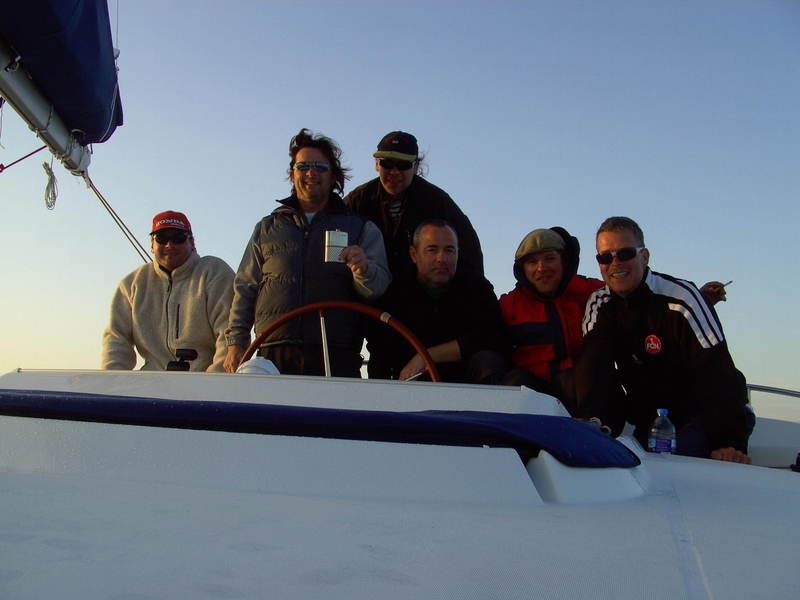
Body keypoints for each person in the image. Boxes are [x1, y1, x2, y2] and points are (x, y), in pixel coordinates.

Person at [575, 216, 754, 463]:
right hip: (653, 422)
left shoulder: (682, 299)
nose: (615, 263)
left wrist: (728, 441)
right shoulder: (599, 305)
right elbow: (594, 370)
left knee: (675, 468)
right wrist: (591, 420)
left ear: (644, 257)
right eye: (605, 257)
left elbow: (718, 373)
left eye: (625, 253)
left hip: (703, 417)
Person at [224, 128, 390, 377]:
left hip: (337, 354)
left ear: (333, 175)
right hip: (272, 354)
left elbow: (378, 287)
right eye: (303, 167)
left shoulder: (361, 228)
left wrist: (363, 269)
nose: (311, 173)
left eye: (321, 167)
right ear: (292, 174)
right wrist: (236, 342)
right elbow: (245, 287)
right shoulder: (266, 228)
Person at [367, 220, 506, 383]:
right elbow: (380, 351)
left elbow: (494, 337)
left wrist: (425, 357)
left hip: (470, 390)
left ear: (458, 253)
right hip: (412, 389)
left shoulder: (476, 288)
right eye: (432, 250)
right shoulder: (394, 293)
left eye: (449, 250)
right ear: (413, 254)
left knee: (488, 361)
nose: (441, 258)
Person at [343, 131, 484, 284]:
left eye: (404, 165)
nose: (395, 172)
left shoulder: (438, 202)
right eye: (387, 163)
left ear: (416, 166)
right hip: (367, 297)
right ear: (377, 164)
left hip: (420, 300)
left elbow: (470, 256)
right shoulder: (356, 201)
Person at [101, 210, 234, 372]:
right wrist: (112, 383)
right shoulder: (132, 284)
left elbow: (229, 333)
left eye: (178, 238)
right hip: (150, 386)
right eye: (161, 238)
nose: (169, 245)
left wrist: (213, 382)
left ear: (192, 242)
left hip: (205, 383)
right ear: (152, 245)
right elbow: (116, 339)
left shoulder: (214, 272)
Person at [499, 227, 604, 411]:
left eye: (549, 258)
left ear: (563, 261)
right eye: (532, 262)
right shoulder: (508, 304)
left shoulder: (592, 292)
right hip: (532, 397)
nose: (542, 268)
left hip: (580, 392)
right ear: (522, 269)